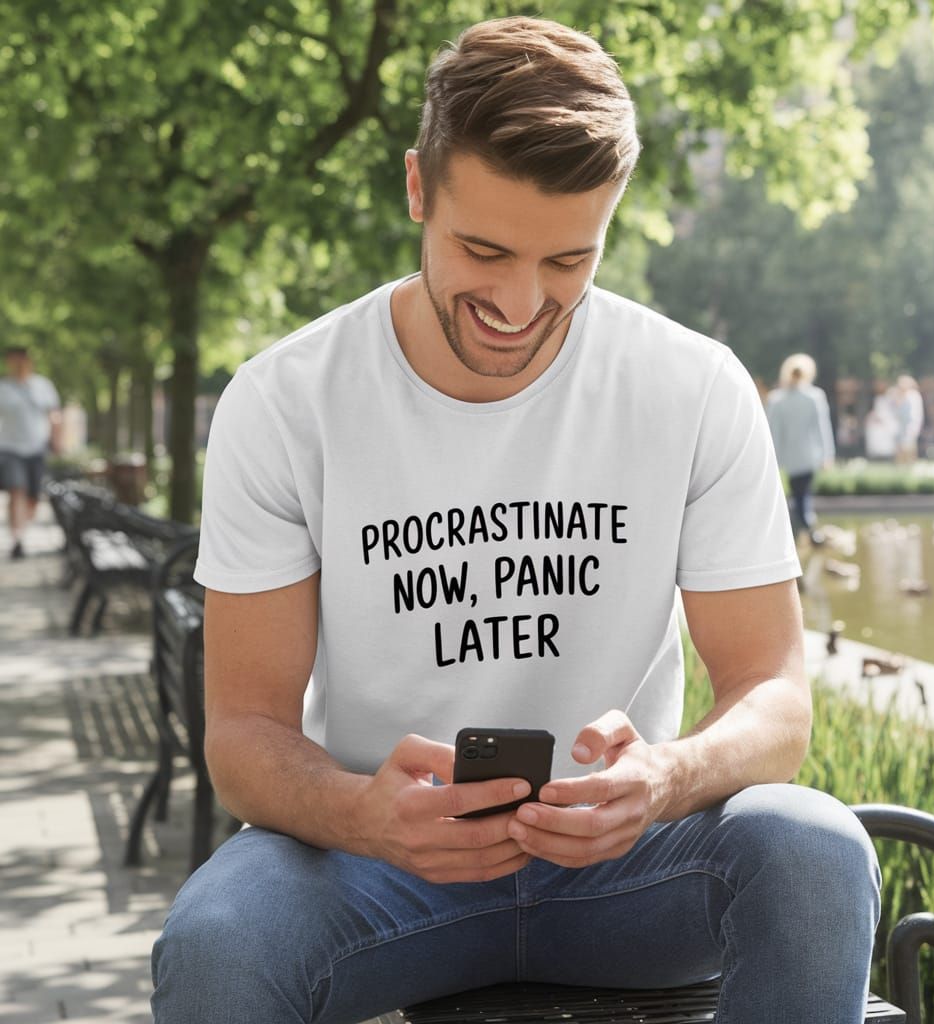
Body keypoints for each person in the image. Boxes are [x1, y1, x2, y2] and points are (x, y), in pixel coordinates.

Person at [151, 18, 879, 1024]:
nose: (519, 301)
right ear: (418, 188)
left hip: (624, 865)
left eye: (568, 262)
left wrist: (665, 778)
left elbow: (774, 696)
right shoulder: (284, 400)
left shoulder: (693, 387)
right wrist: (361, 813)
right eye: (481, 250)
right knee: (216, 946)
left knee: (814, 847)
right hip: (376, 866)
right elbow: (243, 732)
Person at [766, 353, 836, 546]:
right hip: (807, 456)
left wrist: (772, 458)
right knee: (802, 493)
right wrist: (827, 454)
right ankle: (806, 526)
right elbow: (822, 428)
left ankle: (801, 528)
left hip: (787, 456)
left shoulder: (777, 399)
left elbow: (772, 432)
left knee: (798, 494)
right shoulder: (814, 397)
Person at [0, 345, 62, 559]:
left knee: (33, 496)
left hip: (37, 449)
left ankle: (22, 529)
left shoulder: (42, 386)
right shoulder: (3, 388)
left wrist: (57, 440)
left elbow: (54, 415)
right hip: (9, 449)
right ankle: (17, 538)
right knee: (16, 490)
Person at [893, 374, 924, 464]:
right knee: (900, 447)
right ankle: (900, 465)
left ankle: (910, 464)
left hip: (910, 425)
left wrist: (913, 426)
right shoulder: (900, 396)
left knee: (909, 447)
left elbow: (914, 414)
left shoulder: (913, 396)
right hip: (900, 425)